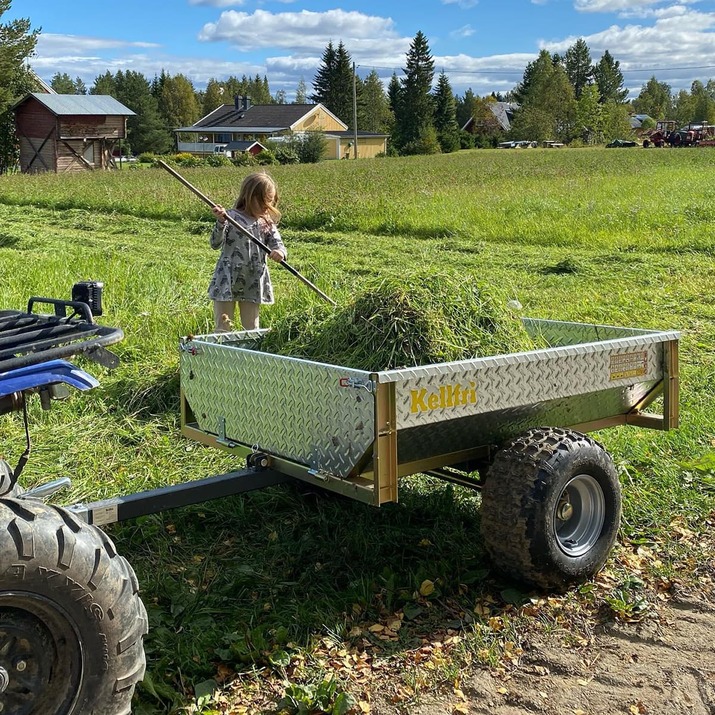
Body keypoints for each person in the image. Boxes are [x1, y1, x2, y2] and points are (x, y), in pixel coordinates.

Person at [207, 172, 286, 332]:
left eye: (270, 202)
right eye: (263, 202)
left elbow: (278, 244)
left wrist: (279, 252)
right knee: (223, 328)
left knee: (251, 328)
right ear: (249, 197)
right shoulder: (231, 217)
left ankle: (248, 355)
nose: (267, 207)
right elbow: (215, 243)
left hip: (253, 279)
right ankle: (223, 355)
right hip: (228, 278)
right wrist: (221, 222)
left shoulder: (267, 223)